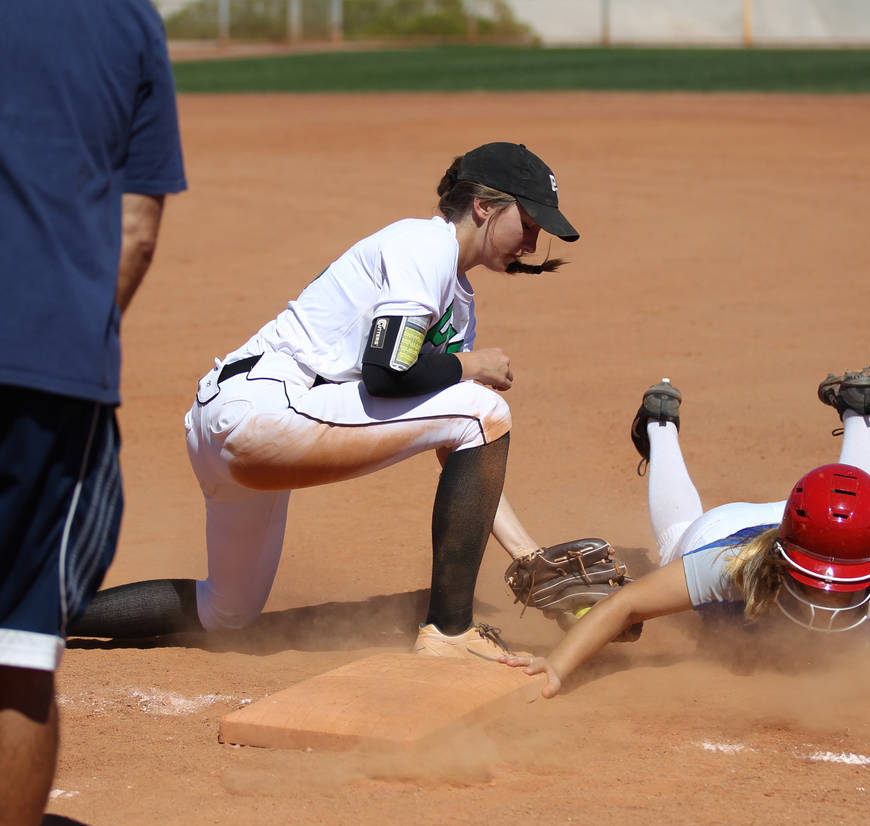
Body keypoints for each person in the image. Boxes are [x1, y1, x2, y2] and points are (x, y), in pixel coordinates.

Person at [70, 141, 585, 661]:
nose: (532, 241)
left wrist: (528, 556)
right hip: (264, 407)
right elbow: (389, 373)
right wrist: (470, 367)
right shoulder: (425, 246)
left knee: (227, 610)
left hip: (237, 417)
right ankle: (451, 632)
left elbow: (462, 446)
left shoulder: (453, 295)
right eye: (529, 221)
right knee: (483, 406)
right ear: (484, 207)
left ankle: (35, 613)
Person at [0, 2, 187, 823]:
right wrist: (66, 337)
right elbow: (136, 229)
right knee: (18, 648)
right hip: (47, 369)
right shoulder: (126, 22)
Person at [501, 367, 870, 697]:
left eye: (839, 585)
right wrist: (557, 665)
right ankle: (659, 427)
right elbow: (627, 604)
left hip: (821, 526)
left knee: (858, 502)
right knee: (676, 544)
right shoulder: (732, 567)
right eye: (816, 584)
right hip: (729, 528)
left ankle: (858, 413)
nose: (827, 596)